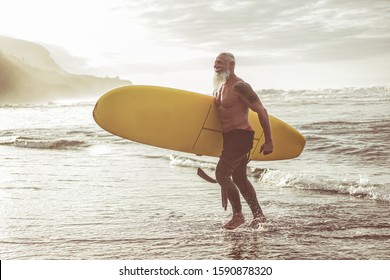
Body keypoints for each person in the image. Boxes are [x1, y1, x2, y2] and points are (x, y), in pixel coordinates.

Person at [213, 52, 274, 230]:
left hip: (241, 136)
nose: (216, 65)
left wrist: (269, 140)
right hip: (229, 138)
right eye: (215, 62)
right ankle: (259, 215)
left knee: (221, 175)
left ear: (231, 65)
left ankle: (238, 215)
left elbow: (261, 111)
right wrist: (199, 143)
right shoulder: (219, 87)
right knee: (239, 178)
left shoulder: (240, 86)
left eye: (220, 62)